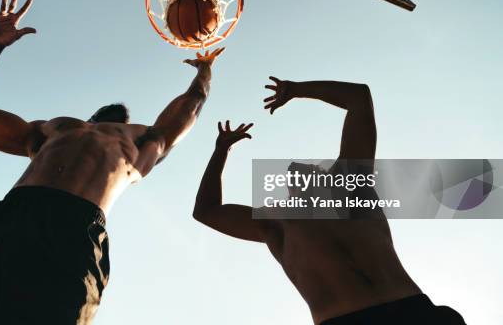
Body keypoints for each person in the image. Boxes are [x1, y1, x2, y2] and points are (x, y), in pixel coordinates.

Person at [0, 0, 224, 324]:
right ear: (92, 116)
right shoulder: (56, 129)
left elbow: (192, 104)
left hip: (72, 235)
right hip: (8, 218)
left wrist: (204, 71)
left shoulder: (143, 141)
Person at [192, 78, 466, 325]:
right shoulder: (277, 222)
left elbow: (359, 98)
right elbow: (206, 211)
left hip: (413, 311)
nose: (306, 167)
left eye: (315, 167)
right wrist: (221, 151)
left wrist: (296, 89)